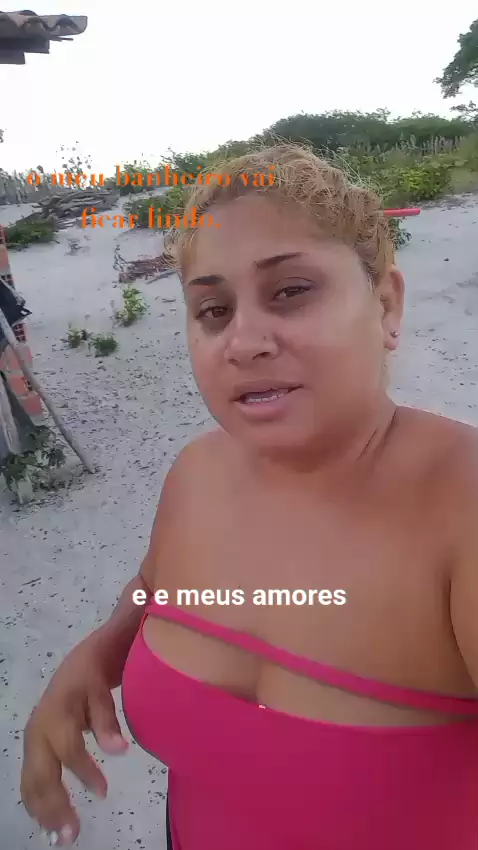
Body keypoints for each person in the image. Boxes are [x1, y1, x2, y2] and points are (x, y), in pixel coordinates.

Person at [20, 144, 478, 850]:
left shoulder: (461, 509)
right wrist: (100, 650)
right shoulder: (197, 473)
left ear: (386, 304)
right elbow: (157, 588)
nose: (244, 341)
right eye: (213, 309)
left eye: (290, 291)